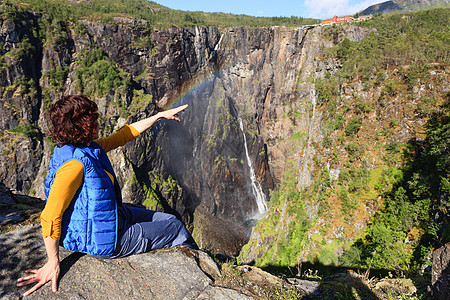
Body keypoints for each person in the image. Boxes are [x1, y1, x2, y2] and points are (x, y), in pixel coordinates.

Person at [17, 95, 198, 296]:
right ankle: (198, 270)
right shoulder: (74, 166)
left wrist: (159, 116)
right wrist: (53, 261)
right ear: (82, 126)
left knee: (170, 219)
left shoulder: (82, 148)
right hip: (106, 239)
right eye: (93, 120)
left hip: (109, 219)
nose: (97, 122)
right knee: (175, 227)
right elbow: (50, 216)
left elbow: (123, 135)